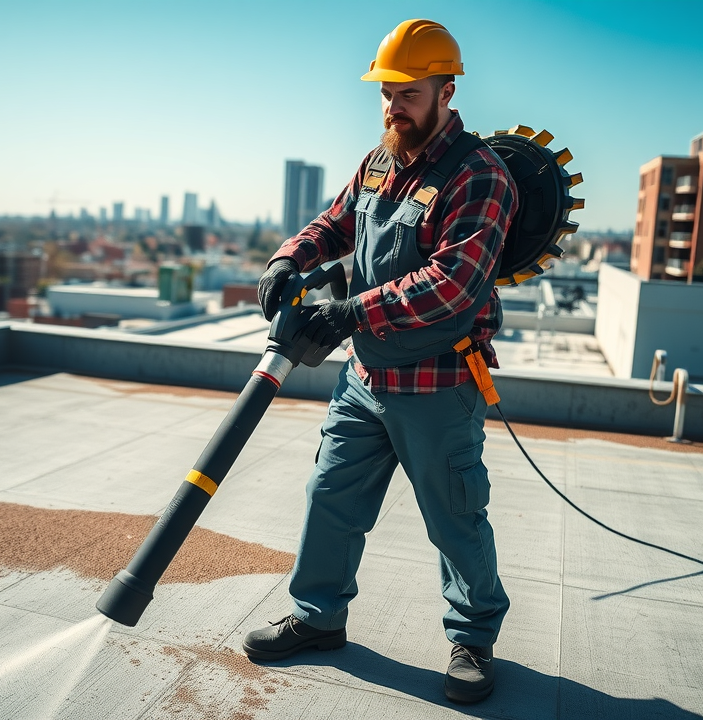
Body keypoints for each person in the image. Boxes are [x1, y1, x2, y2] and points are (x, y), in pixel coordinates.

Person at [240, 19, 517, 705]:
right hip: (364, 380)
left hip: (437, 385)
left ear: (447, 92)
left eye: (410, 94)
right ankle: (317, 615)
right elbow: (336, 223)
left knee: (454, 519)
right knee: (330, 498)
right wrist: (288, 259)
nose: (395, 106)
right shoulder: (380, 160)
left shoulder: (481, 177)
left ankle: (474, 639)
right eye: (388, 93)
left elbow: (451, 281)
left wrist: (348, 313)